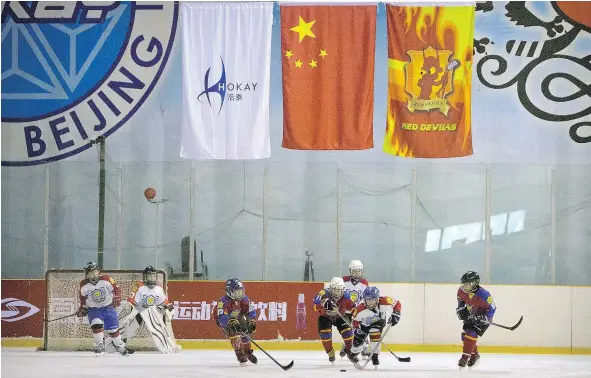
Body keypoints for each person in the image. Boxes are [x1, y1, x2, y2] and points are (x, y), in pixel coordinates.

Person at [120, 266, 179, 353]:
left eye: (153, 276)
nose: (152, 279)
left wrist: (170, 310)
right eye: (149, 276)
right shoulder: (139, 286)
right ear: (145, 277)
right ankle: (121, 344)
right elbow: (132, 302)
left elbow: (164, 303)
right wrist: (131, 312)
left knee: (160, 328)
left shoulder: (158, 288)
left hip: (153, 314)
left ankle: (166, 344)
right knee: (131, 328)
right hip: (139, 312)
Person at [77, 261, 128, 355]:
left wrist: (117, 297)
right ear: (87, 274)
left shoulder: (106, 279)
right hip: (94, 309)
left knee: (113, 329)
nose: (94, 274)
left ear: (98, 271)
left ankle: (119, 345)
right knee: (96, 324)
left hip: (108, 307)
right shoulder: (83, 284)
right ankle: (99, 344)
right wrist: (83, 308)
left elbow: (116, 288)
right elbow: (82, 298)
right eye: (91, 273)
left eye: (95, 272)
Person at [351, 286, 401, 367]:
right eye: (368, 299)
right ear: (364, 299)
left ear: (377, 298)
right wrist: (356, 329)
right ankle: (353, 353)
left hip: (378, 322)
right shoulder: (359, 309)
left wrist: (396, 314)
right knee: (357, 342)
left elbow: (397, 303)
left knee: (375, 334)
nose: (370, 302)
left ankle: (375, 356)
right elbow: (354, 322)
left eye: (372, 299)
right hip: (364, 325)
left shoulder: (384, 301)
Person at [456, 271, 496, 370]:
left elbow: (492, 308)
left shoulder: (484, 295)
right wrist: (461, 310)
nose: (464, 287)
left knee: (471, 333)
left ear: (474, 283)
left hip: (484, 317)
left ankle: (465, 357)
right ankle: (474, 355)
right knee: (464, 336)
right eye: (463, 284)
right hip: (472, 314)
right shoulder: (461, 291)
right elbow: (461, 302)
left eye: (467, 284)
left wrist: (485, 318)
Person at [313, 277, 358, 364]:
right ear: (330, 288)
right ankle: (330, 352)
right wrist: (324, 303)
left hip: (340, 316)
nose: (337, 293)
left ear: (343, 290)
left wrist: (356, 316)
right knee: (325, 334)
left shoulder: (347, 296)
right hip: (325, 317)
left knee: (348, 333)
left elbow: (353, 308)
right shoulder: (324, 293)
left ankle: (350, 352)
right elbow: (315, 305)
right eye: (334, 290)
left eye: (339, 290)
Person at [213, 278, 258, 366]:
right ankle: (241, 356)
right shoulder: (223, 302)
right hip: (224, 321)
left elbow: (251, 311)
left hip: (239, 317)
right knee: (235, 334)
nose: (240, 294)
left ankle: (247, 352)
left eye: (241, 291)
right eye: (237, 292)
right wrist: (229, 321)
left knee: (246, 332)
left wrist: (251, 320)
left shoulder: (245, 299)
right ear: (230, 292)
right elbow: (221, 317)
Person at [341, 260, 369, 358]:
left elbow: (366, 297)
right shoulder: (343, 280)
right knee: (347, 330)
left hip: (358, 311)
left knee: (362, 328)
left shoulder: (364, 283)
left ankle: (365, 347)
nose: (357, 274)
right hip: (346, 310)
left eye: (359, 271)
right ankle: (345, 345)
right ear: (350, 271)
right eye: (354, 271)